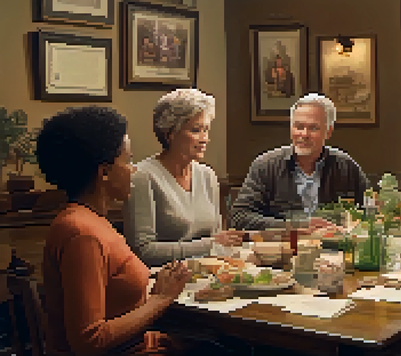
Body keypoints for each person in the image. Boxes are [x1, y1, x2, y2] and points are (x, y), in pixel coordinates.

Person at [37, 106, 193, 356]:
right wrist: (160, 299)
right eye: (128, 160)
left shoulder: (92, 220)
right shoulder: (82, 233)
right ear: (105, 172)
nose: (133, 169)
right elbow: (89, 340)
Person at [124, 88, 240, 267]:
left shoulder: (207, 175)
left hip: (208, 274)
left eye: (206, 130)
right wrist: (209, 245)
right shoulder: (142, 176)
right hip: (164, 279)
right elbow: (144, 251)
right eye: (195, 130)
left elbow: (218, 239)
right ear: (170, 133)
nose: (204, 139)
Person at [229, 93, 370, 233]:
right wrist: (292, 226)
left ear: (328, 132)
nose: (304, 134)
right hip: (281, 250)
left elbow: (371, 213)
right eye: (299, 126)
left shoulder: (346, 167)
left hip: (334, 251)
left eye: (313, 128)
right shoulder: (266, 166)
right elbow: (239, 217)